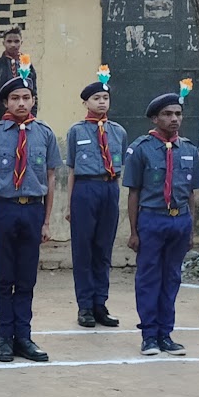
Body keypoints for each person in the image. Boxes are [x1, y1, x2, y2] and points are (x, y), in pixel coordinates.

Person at [0, 70, 60, 363]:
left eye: (26, 97)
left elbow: (50, 179)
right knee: (5, 278)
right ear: (6, 103)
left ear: (34, 100)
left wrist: (47, 221)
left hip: (33, 210)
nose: (21, 103)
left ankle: (23, 337)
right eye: (15, 98)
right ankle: (4, 338)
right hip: (5, 209)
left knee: (26, 278)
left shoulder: (45, 134)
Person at [124, 84, 199, 356]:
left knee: (172, 278)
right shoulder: (141, 149)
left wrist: (190, 229)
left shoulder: (189, 149)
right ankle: (149, 335)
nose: (174, 119)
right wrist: (134, 231)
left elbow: (191, 194)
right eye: (168, 114)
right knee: (149, 278)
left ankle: (165, 333)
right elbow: (133, 193)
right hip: (152, 219)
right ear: (155, 118)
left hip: (179, 221)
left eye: (178, 114)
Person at [66, 66, 126, 328]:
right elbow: (71, 170)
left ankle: (100, 303)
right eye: (96, 98)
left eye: (105, 98)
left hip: (109, 188)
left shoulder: (118, 131)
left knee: (103, 249)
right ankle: (85, 306)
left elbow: (120, 167)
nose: (102, 102)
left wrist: (114, 196)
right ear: (85, 103)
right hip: (85, 189)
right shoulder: (76, 131)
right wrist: (69, 204)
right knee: (83, 250)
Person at [0, 29, 37, 121]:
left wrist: (32, 116)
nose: (13, 45)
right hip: (1, 118)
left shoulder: (28, 67)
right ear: (3, 43)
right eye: (9, 41)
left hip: (26, 118)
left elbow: (34, 93)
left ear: (21, 42)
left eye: (16, 41)